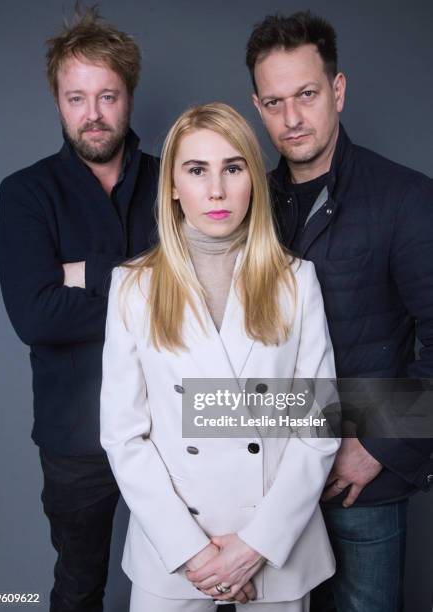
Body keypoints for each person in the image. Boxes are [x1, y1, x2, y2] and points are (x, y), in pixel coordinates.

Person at [100, 102, 340, 612]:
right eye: (196, 170)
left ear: (252, 179)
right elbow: (123, 436)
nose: (216, 190)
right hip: (173, 547)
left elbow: (318, 427)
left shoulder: (296, 281)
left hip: (276, 543)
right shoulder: (133, 287)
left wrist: (254, 547)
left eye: (232, 168)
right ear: (171, 185)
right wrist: (191, 552)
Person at [246, 11, 433, 612]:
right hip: (270, 477)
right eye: (274, 102)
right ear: (257, 106)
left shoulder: (405, 197)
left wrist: (377, 444)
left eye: (305, 94)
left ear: (338, 90)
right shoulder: (249, 205)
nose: (291, 118)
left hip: (361, 479)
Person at [0, 6, 158, 611]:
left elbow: (197, 296)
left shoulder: (174, 181)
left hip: (169, 425)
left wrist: (83, 274)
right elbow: (35, 316)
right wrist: (145, 284)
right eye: (76, 98)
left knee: (191, 580)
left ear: (129, 98)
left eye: (107, 96)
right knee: (77, 587)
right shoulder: (26, 191)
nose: (93, 114)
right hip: (74, 436)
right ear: (58, 103)